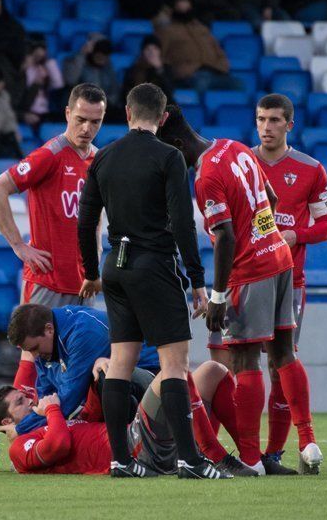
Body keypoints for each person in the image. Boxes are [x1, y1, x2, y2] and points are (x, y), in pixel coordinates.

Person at [157, 104, 321, 476]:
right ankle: (307, 440)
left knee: (246, 361)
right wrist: (263, 236)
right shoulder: (235, 148)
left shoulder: (206, 176)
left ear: (179, 144)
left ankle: (250, 459)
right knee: (283, 354)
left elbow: (226, 237)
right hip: (281, 259)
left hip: (250, 272)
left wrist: (217, 296)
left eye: (169, 153)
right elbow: (272, 199)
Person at [77, 83, 218, 479]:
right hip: (153, 265)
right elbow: (184, 223)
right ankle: (190, 460)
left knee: (121, 362)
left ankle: (120, 460)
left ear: (126, 114)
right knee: (174, 364)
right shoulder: (170, 156)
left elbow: (86, 221)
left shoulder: (102, 157)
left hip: (114, 268)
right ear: (163, 118)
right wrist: (197, 280)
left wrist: (91, 272)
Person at [0, 83, 105, 392]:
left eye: (95, 121)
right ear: (67, 113)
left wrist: (95, 268)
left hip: (83, 283)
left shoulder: (99, 161)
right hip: (48, 279)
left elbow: (94, 221)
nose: (87, 128)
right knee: (33, 354)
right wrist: (19, 246)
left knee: (77, 357)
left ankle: (59, 431)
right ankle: (17, 429)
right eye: (80, 119)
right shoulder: (50, 155)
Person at [251, 94, 327, 474]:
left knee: (279, 364)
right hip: (245, 279)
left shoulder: (310, 168)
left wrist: (295, 235)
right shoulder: (241, 163)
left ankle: (273, 453)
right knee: (236, 363)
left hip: (290, 280)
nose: (266, 127)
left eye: (274, 120)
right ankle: (244, 452)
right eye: (261, 119)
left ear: (290, 125)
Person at [0, 360, 243, 476]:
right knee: (172, 370)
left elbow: (92, 414)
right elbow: (59, 445)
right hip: (135, 447)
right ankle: (213, 456)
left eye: (26, 395)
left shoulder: (51, 421)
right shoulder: (21, 446)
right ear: (7, 423)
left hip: (139, 437)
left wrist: (99, 371)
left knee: (213, 371)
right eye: (20, 402)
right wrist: (53, 410)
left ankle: (249, 458)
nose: (31, 400)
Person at [4, 303, 160, 436]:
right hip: (115, 387)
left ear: (49, 329)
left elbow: (67, 400)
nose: (34, 356)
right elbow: (46, 398)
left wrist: (21, 429)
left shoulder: (84, 331)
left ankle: (131, 444)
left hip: (151, 378)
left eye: (35, 348)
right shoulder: (44, 349)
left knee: (106, 373)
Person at [155, 0, 241, 95]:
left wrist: (221, 67)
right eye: (181, 9)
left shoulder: (202, 29)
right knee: (201, 82)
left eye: (187, 8)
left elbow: (220, 53)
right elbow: (160, 56)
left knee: (238, 84)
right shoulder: (166, 31)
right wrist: (179, 71)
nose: (185, 12)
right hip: (189, 76)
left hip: (214, 72)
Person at [63, 35, 120, 118]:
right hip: (80, 109)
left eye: (105, 55)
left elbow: (114, 91)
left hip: (104, 109)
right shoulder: (73, 61)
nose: (102, 58)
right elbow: (70, 80)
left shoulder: (108, 67)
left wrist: (106, 103)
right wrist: (82, 54)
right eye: (99, 53)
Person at [20, 35, 64, 127]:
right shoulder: (26, 67)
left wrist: (47, 61)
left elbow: (58, 84)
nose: (40, 52)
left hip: (45, 111)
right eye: (36, 49)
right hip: (29, 110)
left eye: (43, 48)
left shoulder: (46, 66)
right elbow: (24, 88)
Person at [122, 35, 174, 105]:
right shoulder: (134, 70)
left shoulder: (166, 69)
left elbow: (169, 93)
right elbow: (126, 94)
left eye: (155, 49)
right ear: (142, 52)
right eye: (148, 49)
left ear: (160, 52)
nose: (151, 52)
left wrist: (159, 70)